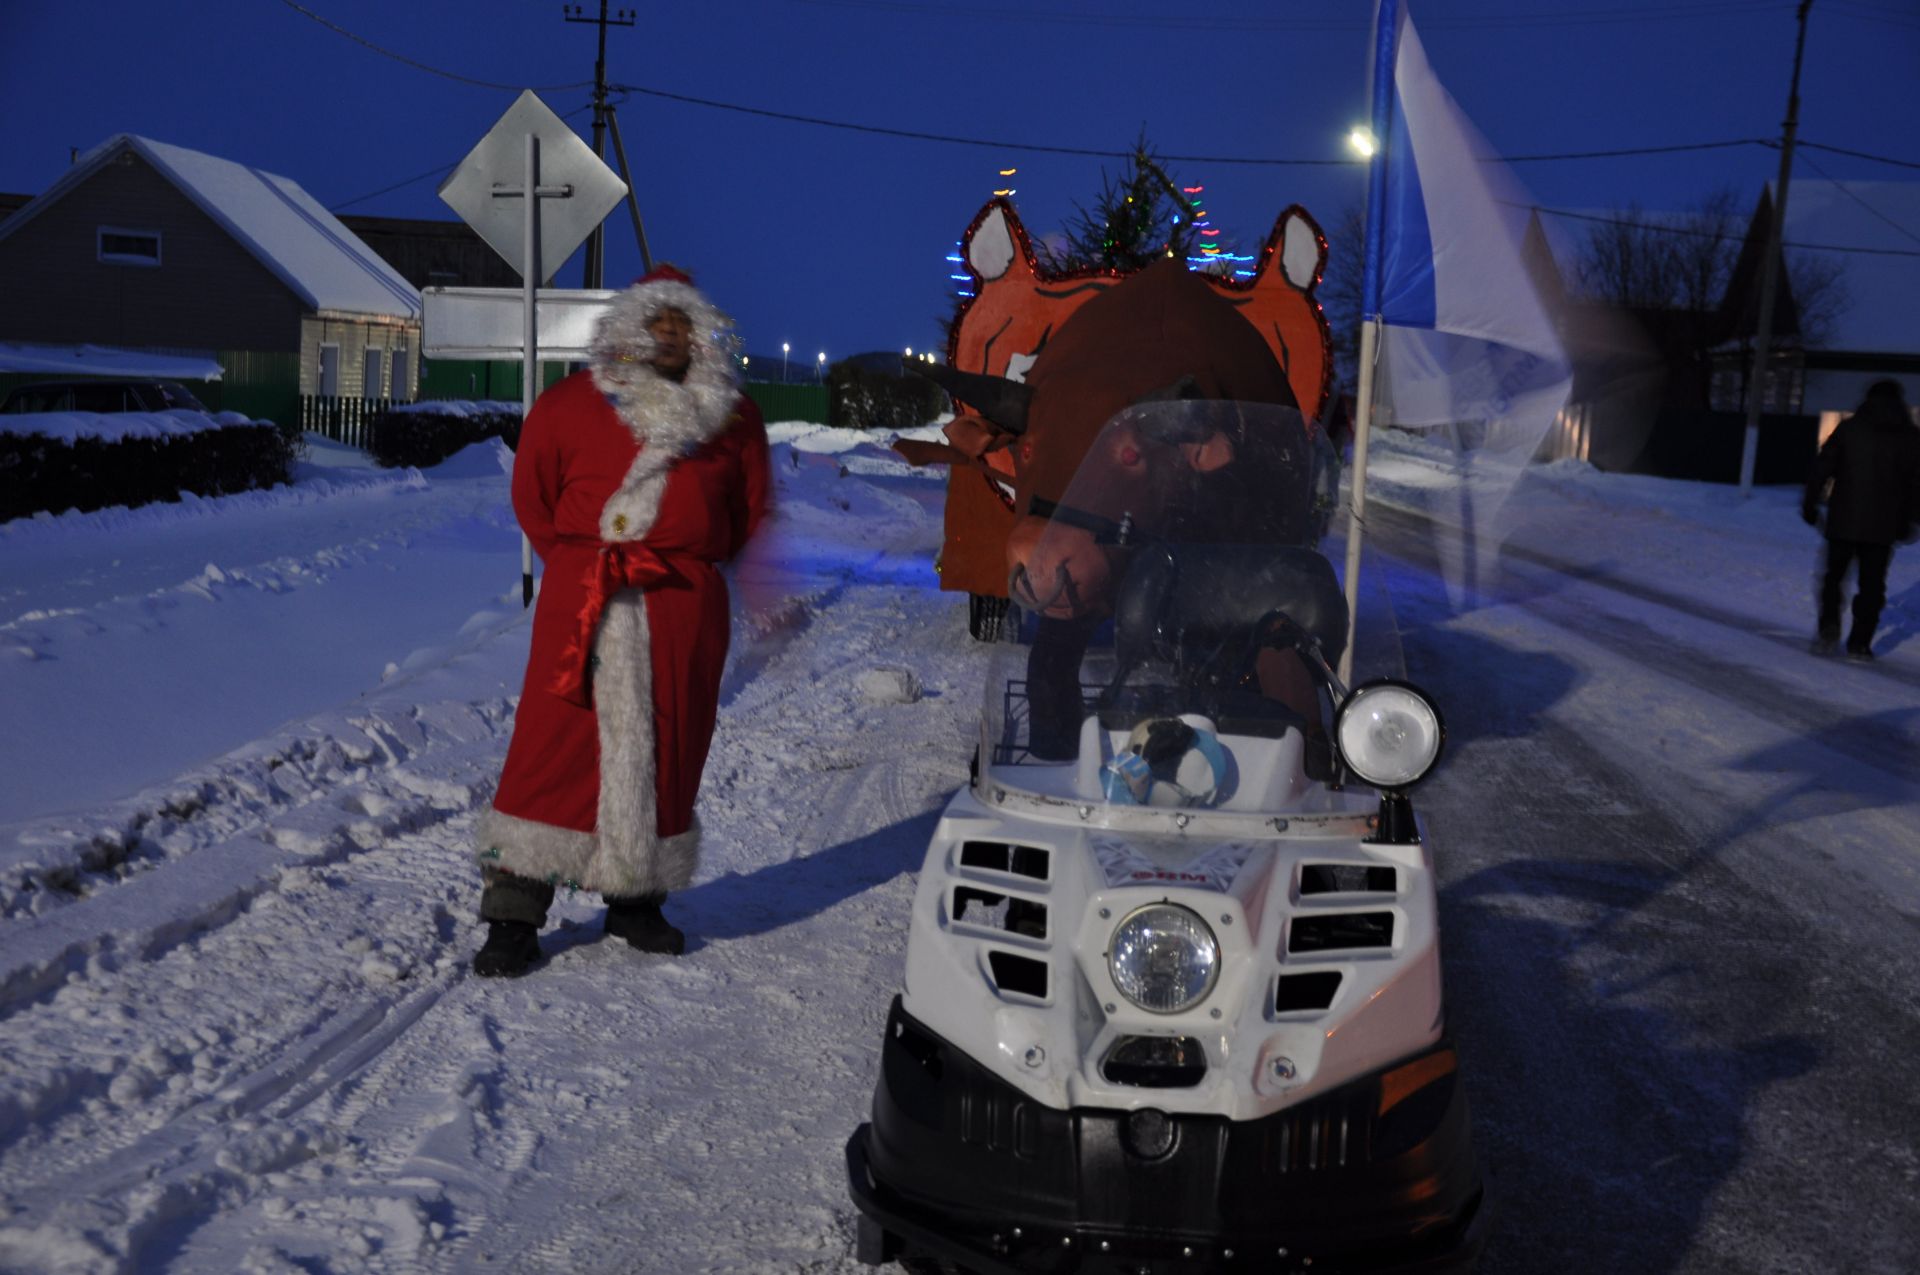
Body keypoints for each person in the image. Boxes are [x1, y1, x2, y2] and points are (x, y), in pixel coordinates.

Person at [471, 264, 771, 977]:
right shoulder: (570, 403)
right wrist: (582, 564)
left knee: (668, 749)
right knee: (553, 750)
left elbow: (746, 513)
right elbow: (534, 498)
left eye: (682, 323)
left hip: (682, 609)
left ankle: (637, 898)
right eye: (657, 321)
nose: (670, 334)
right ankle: (514, 912)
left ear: (699, 334)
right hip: (586, 600)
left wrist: (685, 564)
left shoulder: (732, 415)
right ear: (629, 326)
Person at [1802, 378, 1920, 661]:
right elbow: (1916, 484)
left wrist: (1810, 502)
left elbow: (1823, 467)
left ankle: (1828, 628)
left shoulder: (1850, 429)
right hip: (1884, 525)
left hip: (1844, 519)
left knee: (1834, 578)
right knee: (1872, 585)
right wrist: (1910, 520)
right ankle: (1860, 643)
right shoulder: (1911, 437)